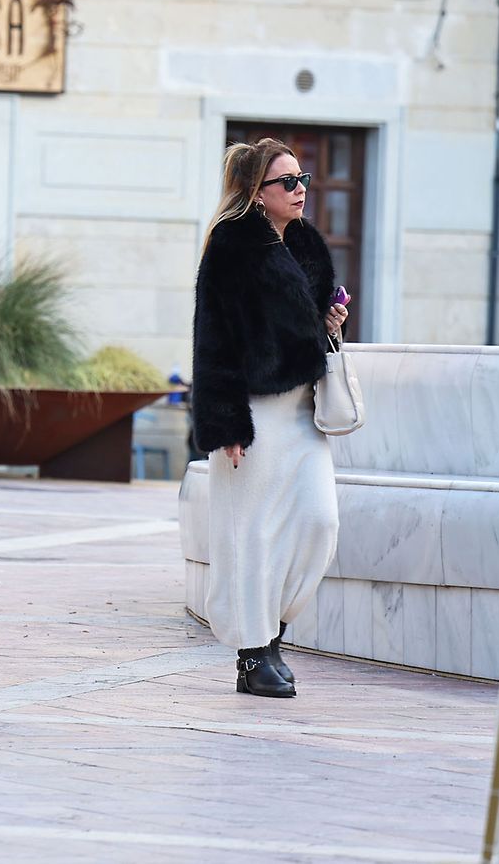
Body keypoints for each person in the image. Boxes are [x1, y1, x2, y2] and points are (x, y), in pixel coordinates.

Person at [191, 137, 349, 699]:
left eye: (302, 178)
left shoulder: (305, 244)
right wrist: (226, 422)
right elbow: (213, 339)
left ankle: (273, 632)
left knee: (319, 524)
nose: (300, 189)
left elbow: (304, 326)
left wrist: (329, 322)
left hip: (303, 410)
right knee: (252, 537)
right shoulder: (231, 246)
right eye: (287, 181)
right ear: (258, 194)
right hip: (253, 414)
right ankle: (252, 654)